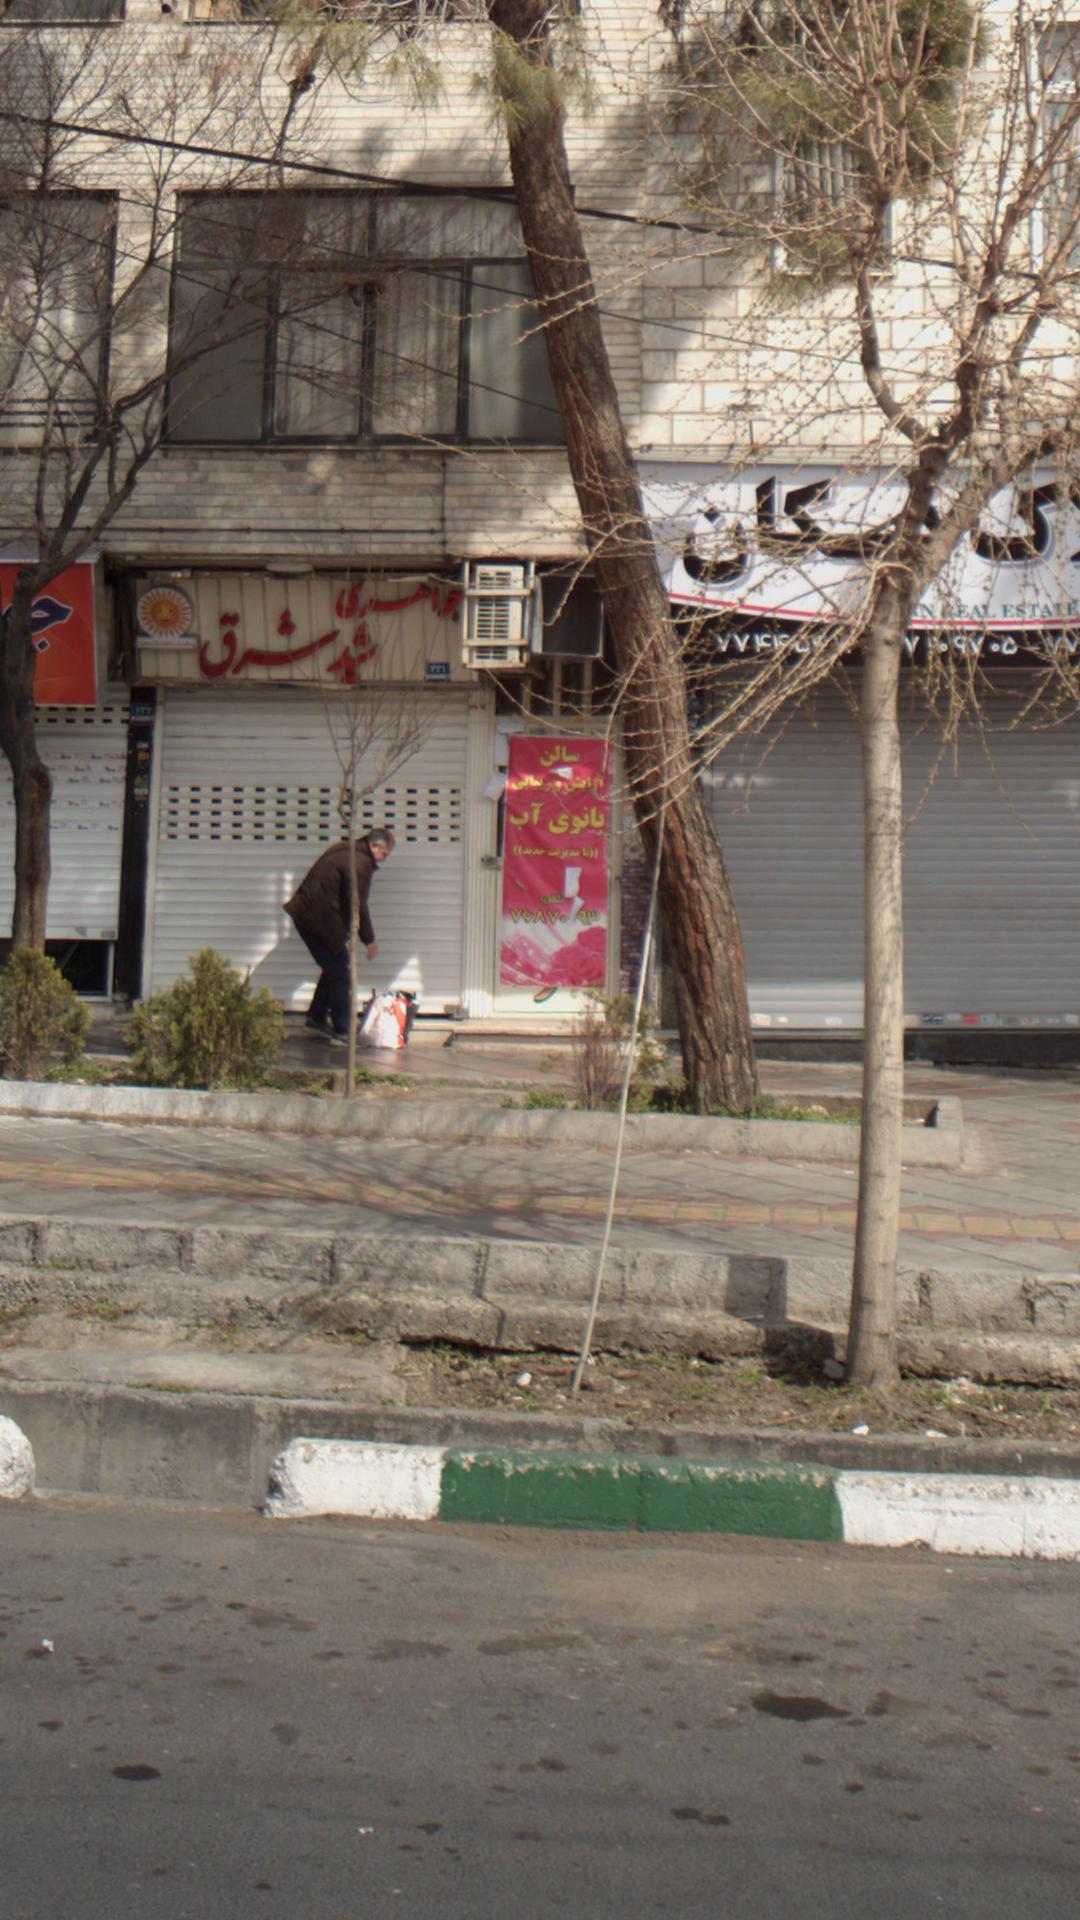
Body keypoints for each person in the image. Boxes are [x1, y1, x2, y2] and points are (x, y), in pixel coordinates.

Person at [284, 828, 395, 1044]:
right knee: (342, 972)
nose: (384, 859)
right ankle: (342, 1032)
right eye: (385, 853)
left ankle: (316, 1020)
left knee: (334, 967)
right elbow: (357, 905)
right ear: (374, 846)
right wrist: (369, 940)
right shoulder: (359, 863)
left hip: (312, 916)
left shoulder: (346, 850)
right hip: (318, 919)